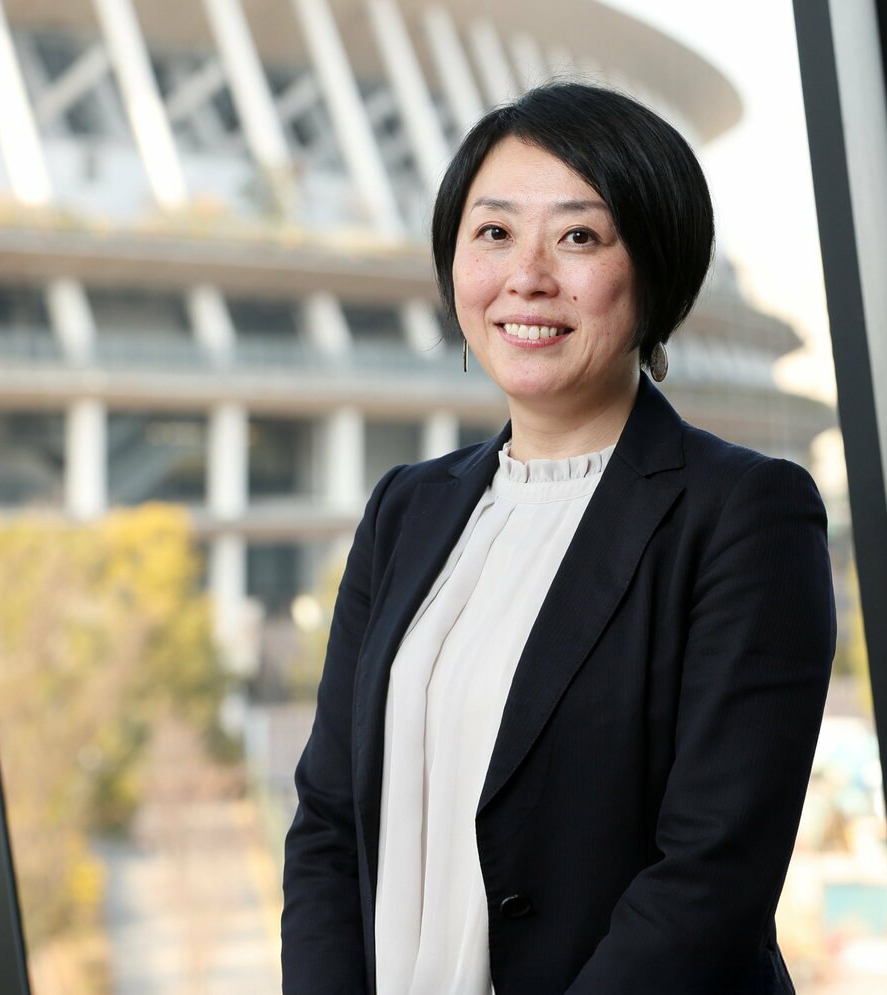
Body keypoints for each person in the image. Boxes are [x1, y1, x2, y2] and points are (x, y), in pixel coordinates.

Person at [280, 80, 836, 995]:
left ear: (655, 267)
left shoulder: (746, 516)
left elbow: (711, 877)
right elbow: (329, 824)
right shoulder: (406, 510)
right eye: (494, 232)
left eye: (579, 237)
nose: (528, 275)